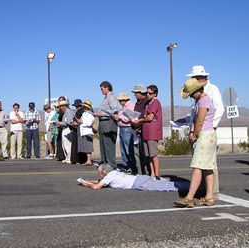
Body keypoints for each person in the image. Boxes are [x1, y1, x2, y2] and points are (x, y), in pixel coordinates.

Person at [174, 78, 217, 208]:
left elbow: (200, 120)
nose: (191, 96)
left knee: (197, 166)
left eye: (191, 93)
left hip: (205, 135)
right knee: (208, 167)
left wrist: (195, 133)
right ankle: (209, 196)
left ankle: (189, 197)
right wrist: (192, 130)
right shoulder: (199, 101)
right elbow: (195, 119)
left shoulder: (204, 100)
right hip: (208, 135)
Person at [186, 65, 224, 200]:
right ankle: (202, 190)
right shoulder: (197, 94)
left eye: (193, 78)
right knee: (201, 162)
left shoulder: (212, 90)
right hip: (198, 130)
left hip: (206, 131)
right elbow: (195, 113)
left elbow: (219, 109)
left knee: (208, 163)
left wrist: (211, 126)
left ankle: (212, 192)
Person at [78, 163, 190, 191]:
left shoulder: (108, 177)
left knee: (165, 187)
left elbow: (96, 187)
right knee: (164, 184)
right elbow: (100, 181)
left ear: (103, 173)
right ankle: (191, 185)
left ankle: (191, 186)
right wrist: (88, 180)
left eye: (100, 174)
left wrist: (85, 184)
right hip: (139, 178)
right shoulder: (113, 173)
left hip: (138, 183)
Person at [131, 85, 163, 180]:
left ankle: (157, 174)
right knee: (148, 154)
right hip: (146, 131)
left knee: (153, 154)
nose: (148, 94)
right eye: (147, 93)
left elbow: (150, 117)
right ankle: (152, 173)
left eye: (150, 93)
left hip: (152, 131)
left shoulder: (155, 103)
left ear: (155, 94)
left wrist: (139, 121)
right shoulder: (148, 104)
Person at [94, 81, 119, 168]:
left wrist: (102, 114)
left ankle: (111, 164)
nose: (101, 91)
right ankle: (104, 162)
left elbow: (114, 110)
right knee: (103, 144)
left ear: (107, 87)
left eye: (102, 89)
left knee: (109, 144)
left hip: (108, 122)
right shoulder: (105, 98)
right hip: (102, 122)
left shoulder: (111, 97)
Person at [113, 92, 136, 174]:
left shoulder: (131, 106)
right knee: (123, 149)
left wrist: (119, 117)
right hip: (122, 128)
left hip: (127, 128)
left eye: (120, 100)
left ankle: (131, 166)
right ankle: (126, 166)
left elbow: (130, 117)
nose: (119, 102)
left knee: (128, 149)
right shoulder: (123, 107)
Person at [132, 84, 150, 175]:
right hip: (136, 129)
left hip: (144, 130)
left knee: (145, 153)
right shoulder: (137, 103)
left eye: (136, 92)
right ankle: (140, 172)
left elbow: (146, 116)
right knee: (137, 153)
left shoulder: (147, 102)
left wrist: (140, 126)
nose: (134, 94)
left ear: (141, 92)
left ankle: (147, 172)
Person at [76, 100, 95, 166]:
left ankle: (89, 160)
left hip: (87, 132)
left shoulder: (90, 115)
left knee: (88, 147)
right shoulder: (84, 114)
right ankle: (87, 160)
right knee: (86, 147)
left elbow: (89, 123)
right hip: (83, 131)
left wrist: (81, 122)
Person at [70, 99, 83, 164]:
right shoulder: (78, 111)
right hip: (75, 129)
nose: (76, 107)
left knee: (79, 144)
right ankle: (76, 159)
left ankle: (80, 159)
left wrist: (77, 123)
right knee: (75, 144)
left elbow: (82, 121)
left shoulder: (82, 111)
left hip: (80, 129)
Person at [55, 96, 67, 161]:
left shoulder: (66, 110)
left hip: (64, 126)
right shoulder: (58, 110)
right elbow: (54, 118)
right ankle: (60, 156)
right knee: (59, 141)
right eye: (59, 100)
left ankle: (65, 156)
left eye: (62, 100)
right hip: (59, 127)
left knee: (64, 142)